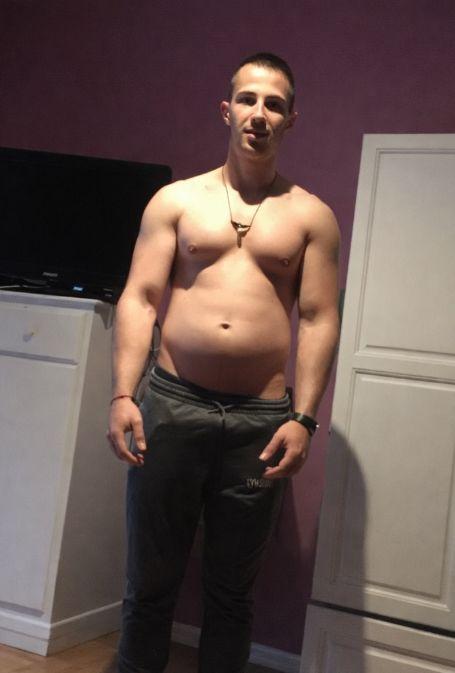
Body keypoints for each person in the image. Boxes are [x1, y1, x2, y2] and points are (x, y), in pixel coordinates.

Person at [107, 52, 340, 673]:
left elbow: (319, 319)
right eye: (247, 99)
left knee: (233, 594)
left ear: (291, 120)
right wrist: (123, 394)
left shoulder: (311, 216)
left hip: (259, 421)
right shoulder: (176, 201)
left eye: (274, 105)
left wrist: (304, 419)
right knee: (149, 585)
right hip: (172, 404)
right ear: (226, 110)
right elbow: (140, 297)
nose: (259, 114)